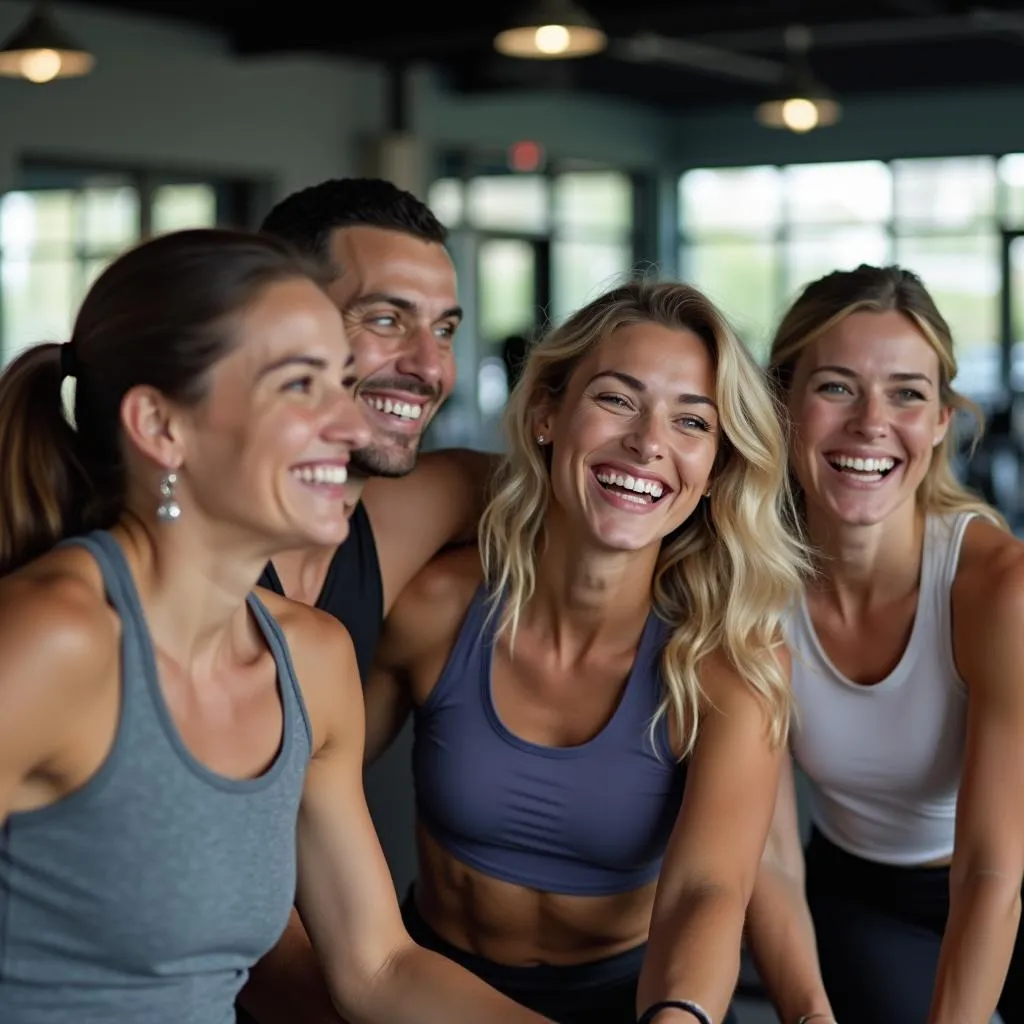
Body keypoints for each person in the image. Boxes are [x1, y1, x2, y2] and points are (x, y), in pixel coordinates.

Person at [0, 227, 552, 1024]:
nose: (353, 427)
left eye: (341, 381)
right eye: (299, 386)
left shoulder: (312, 660)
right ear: (161, 427)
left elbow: (379, 966)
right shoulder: (55, 640)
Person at [364, 279, 809, 1024]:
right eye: (616, 400)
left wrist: (678, 1017)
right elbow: (311, 780)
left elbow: (709, 887)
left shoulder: (728, 658)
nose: (648, 442)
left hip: (641, 1000)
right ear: (546, 413)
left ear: (714, 470)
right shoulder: (437, 608)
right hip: (433, 989)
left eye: (691, 421)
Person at [238, 177, 496, 1024]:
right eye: (386, 319)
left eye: (445, 328)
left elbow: (601, 491)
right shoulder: (182, 575)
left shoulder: (393, 516)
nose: (430, 366)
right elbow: (248, 932)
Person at [745, 264, 1024, 1024]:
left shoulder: (997, 589)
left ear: (940, 420)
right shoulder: (752, 588)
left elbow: (993, 869)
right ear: (782, 405)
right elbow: (766, 850)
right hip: (863, 893)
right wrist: (806, 1012)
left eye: (906, 392)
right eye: (836, 386)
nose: (872, 422)